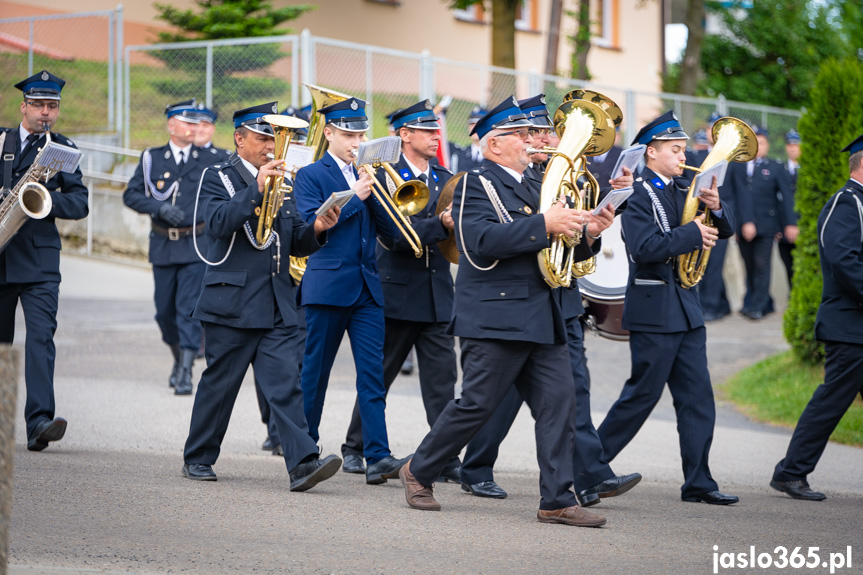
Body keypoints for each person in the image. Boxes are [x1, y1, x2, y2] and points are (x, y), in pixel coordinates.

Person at [399, 96, 613, 528]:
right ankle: (418, 470)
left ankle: (556, 498)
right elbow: (479, 243)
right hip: (494, 316)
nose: (533, 141)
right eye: (522, 135)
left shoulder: (540, 184)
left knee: (560, 405)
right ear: (495, 143)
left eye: (533, 134)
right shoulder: (473, 184)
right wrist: (544, 224)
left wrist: (588, 232)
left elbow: (561, 246)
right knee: (476, 405)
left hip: (542, 313)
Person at [458, 94, 640, 505]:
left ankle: (584, 478)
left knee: (566, 393)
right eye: (530, 133)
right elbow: (491, 240)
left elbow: (573, 232)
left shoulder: (549, 178)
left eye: (541, 132)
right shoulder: (495, 182)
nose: (540, 140)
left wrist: (599, 218)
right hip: (522, 303)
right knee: (496, 398)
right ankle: (467, 466)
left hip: (561, 301)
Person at [181, 102, 342, 489]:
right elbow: (218, 224)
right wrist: (256, 189)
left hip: (274, 300)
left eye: (275, 138)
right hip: (231, 301)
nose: (271, 146)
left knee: (286, 385)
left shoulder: (284, 181)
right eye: (263, 137)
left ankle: (303, 462)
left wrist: (318, 227)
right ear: (239, 139)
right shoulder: (217, 175)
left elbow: (292, 242)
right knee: (221, 384)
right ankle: (198, 457)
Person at [597, 110, 739, 505]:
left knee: (697, 398)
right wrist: (690, 233)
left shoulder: (684, 189)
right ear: (652, 152)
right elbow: (643, 249)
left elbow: (721, 230)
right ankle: (588, 466)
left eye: (683, 150)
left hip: (686, 309)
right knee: (641, 395)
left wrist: (717, 206)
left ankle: (699, 481)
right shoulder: (637, 193)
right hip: (653, 306)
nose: (683, 156)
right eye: (676, 150)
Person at [339, 100, 460, 481]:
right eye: (426, 130)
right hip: (396, 290)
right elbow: (394, 235)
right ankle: (355, 447)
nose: (435, 135)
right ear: (404, 135)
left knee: (442, 383)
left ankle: (444, 457)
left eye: (436, 129)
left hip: (437, 293)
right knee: (380, 375)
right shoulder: (383, 177)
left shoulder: (444, 176)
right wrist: (441, 223)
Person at [293, 96, 410, 485]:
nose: (356, 140)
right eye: (348, 133)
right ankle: (305, 452)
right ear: (329, 133)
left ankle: (377, 455)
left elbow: (392, 234)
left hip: (366, 289)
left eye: (360, 133)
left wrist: (384, 197)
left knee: (372, 376)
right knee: (315, 373)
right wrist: (359, 197)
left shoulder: (368, 175)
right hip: (327, 287)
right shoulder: (312, 174)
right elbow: (315, 224)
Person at [770, 134, 863, 502]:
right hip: (849, 324)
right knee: (831, 401)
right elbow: (844, 261)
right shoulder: (846, 202)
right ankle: (790, 473)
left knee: (831, 399)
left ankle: (791, 471)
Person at [0, 70, 89, 451]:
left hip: (39, 263)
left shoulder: (63, 150)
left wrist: (47, 201)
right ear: (24, 107)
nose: (45, 113)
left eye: (52, 106)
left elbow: (81, 203)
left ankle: (39, 421)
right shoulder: (0, 141)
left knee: (40, 339)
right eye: (38, 105)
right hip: (2, 256)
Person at [123, 99, 209, 395]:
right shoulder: (152, 158)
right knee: (164, 311)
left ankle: (186, 371)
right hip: (163, 244)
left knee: (187, 309)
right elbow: (131, 195)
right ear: (171, 125)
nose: (193, 127)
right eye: (187, 121)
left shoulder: (209, 158)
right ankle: (178, 358)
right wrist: (157, 208)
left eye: (195, 122)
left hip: (195, 244)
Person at [731, 126, 795, 320]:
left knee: (762, 265)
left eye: (763, 143)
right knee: (749, 265)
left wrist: (789, 224)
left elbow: (786, 198)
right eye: (755, 143)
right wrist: (736, 224)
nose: (759, 147)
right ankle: (759, 302)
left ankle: (758, 307)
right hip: (743, 225)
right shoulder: (737, 166)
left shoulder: (776, 167)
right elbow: (732, 197)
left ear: (768, 146)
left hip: (767, 226)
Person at [778, 129, 801, 285]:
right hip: (784, 229)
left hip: (803, 228)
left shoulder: (810, 170)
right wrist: (782, 227)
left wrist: (798, 225)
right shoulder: (779, 170)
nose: (792, 148)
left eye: (796, 144)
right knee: (788, 267)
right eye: (789, 144)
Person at [449, 106, 485, 173]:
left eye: (478, 124)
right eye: (471, 124)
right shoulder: (458, 156)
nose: (474, 128)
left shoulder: (495, 157)